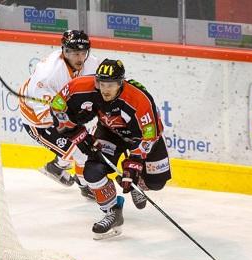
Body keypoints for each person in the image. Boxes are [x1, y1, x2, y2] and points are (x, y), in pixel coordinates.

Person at [50, 59, 171, 240]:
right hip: (110, 133)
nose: (105, 89)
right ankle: (113, 212)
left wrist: (133, 166)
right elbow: (57, 105)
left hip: (143, 138)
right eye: (102, 83)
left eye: (111, 85)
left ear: (121, 83)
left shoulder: (139, 100)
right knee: (93, 170)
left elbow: (149, 137)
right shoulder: (83, 86)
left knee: (156, 182)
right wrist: (74, 130)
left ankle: (141, 185)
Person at [18, 30, 100, 199]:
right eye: (75, 53)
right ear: (64, 51)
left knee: (83, 143)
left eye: (83, 53)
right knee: (81, 152)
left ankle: (56, 167)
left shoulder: (91, 64)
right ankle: (85, 186)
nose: (80, 58)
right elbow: (47, 115)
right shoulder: (48, 75)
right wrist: (73, 119)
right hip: (38, 120)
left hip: (62, 107)